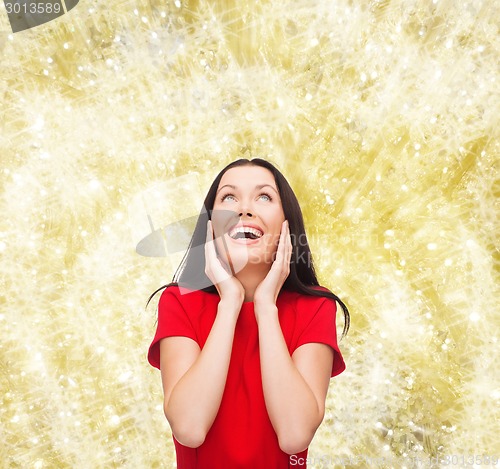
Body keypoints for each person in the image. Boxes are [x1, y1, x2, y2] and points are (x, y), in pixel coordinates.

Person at [146, 158, 350, 468]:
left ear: (287, 224)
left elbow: (295, 436)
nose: (244, 209)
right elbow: (189, 428)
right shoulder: (179, 302)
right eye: (229, 197)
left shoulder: (316, 307)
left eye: (264, 196)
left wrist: (266, 306)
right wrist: (229, 302)